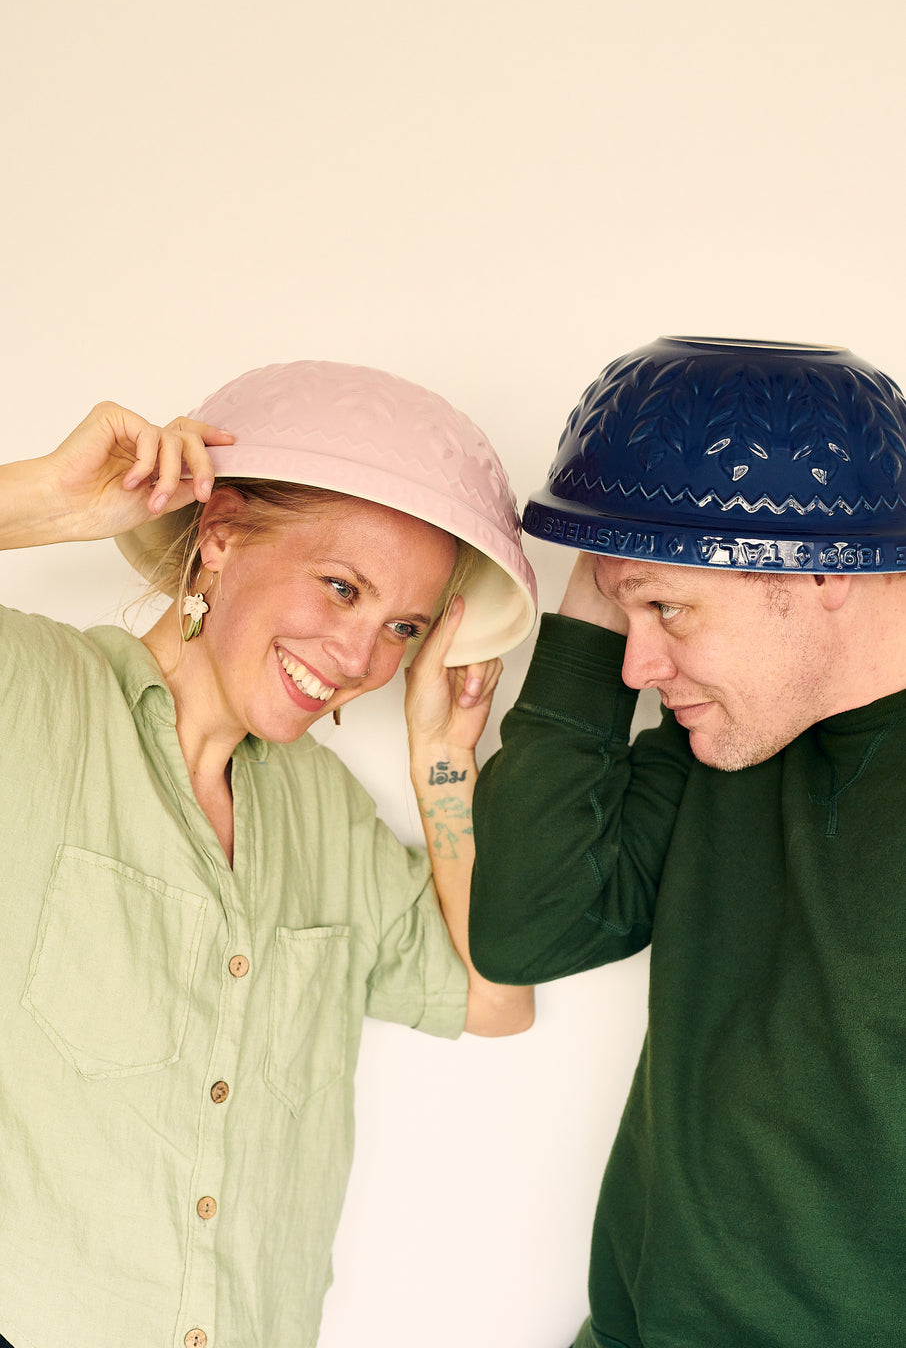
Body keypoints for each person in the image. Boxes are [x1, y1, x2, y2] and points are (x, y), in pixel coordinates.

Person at [0, 360, 536, 1348]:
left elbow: (496, 996)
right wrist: (39, 498)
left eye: (400, 629)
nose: (359, 659)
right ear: (220, 533)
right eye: (340, 588)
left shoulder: (323, 813)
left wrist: (445, 761)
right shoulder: (34, 695)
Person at [469, 336, 906, 1348]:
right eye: (632, 611)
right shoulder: (727, 738)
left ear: (822, 574)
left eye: (670, 609)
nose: (638, 666)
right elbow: (527, 928)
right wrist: (612, 578)